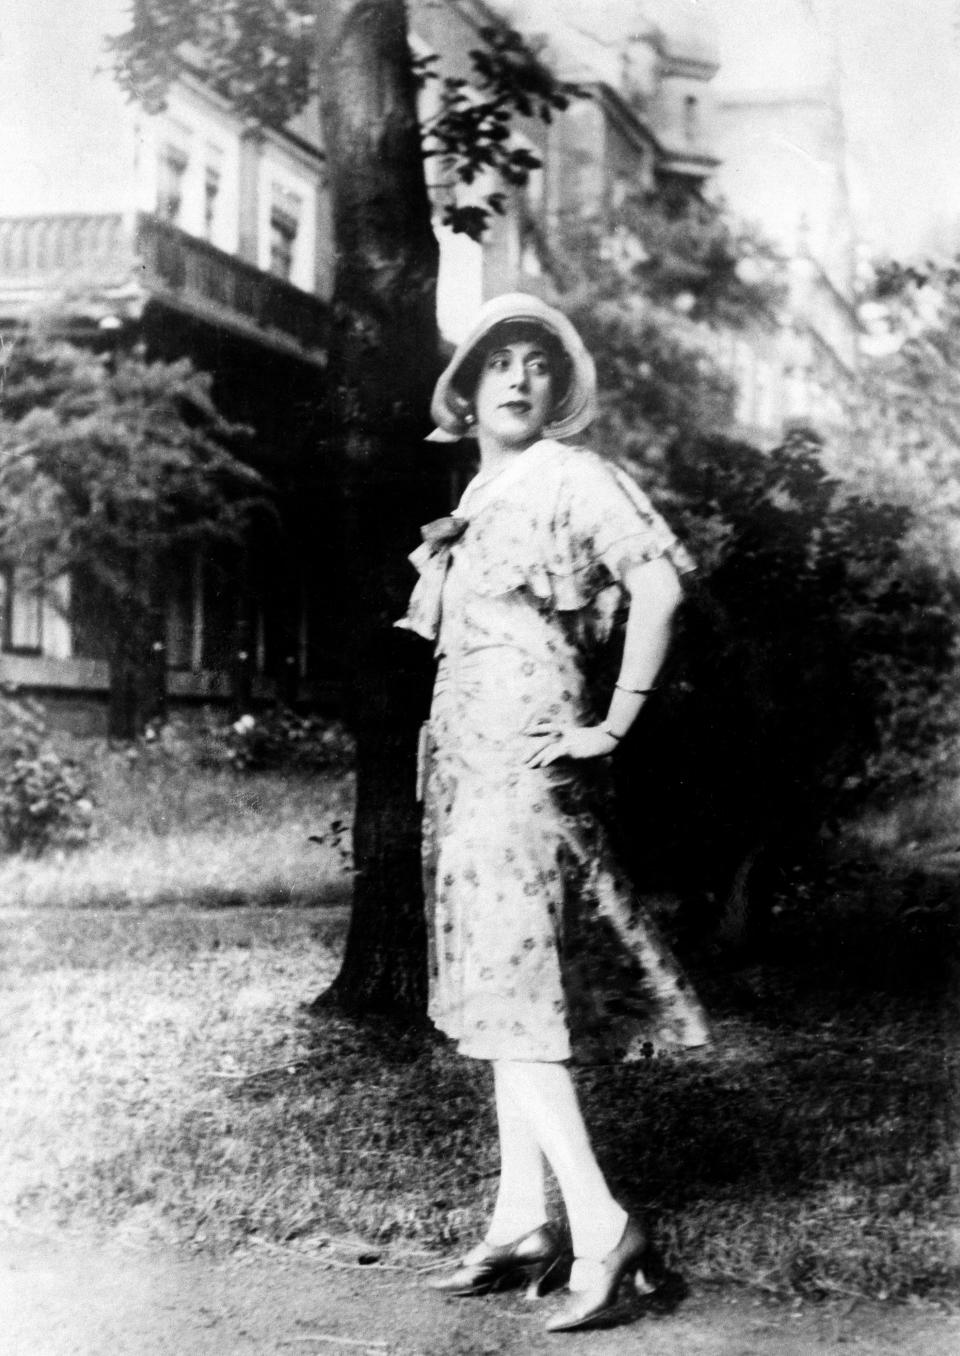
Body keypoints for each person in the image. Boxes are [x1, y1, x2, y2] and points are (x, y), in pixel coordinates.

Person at [396, 293, 709, 1334]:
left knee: (516, 988)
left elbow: (657, 587)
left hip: (528, 767)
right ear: (469, 387)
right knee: (499, 980)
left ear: (558, 388)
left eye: (538, 363)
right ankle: (521, 1220)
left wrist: (612, 725)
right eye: (500, 362)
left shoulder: (575, 476)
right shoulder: (485, 488)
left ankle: (603, 1223)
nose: (519, 378)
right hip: (468, 765)